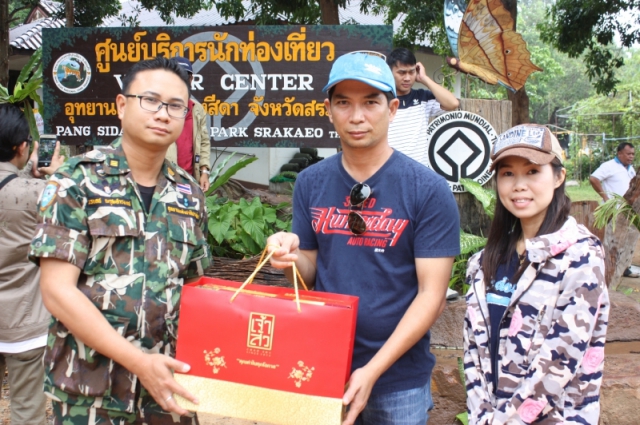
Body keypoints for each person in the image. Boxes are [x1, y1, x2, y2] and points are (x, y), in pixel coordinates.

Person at [267, 52, 460, 425]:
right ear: (329, 110)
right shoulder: (310, 182)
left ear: (392, 109)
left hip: (398, 379)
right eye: (344, 103)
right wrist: (289, 258)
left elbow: (432, 296)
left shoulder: (427, 189)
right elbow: (309, 272)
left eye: (371, 102)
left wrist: (372, 370)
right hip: (323, 365)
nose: (357, 116)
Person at [29, 57, 211, 424]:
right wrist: (139, 363)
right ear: (122, 105)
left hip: (168, 390)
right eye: (150, 100)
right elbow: (57, 291)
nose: (163, 114)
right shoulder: (75, 181)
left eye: (176, 106)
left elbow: (195, 288)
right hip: (91, 394)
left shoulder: (190, 194)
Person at [464, 124, 609, 424]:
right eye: (507, 173)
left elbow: (558, 362)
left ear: (559, 177)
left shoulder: (581, 258)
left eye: (532, 171)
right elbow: (472, 355)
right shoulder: (483, 263)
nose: (519, 185)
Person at [0, 103, 63, 425]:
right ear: (22, 147)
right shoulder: (41, 192)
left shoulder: (27, 188)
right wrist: (57, 176)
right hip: (22, 324)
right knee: (27, 410)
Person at [386, 47, 460, 164]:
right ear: (389, 72)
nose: (407, 78)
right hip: (391, 169)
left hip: (419, 171)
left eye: (411, 72)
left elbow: (453, 103)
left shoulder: (423, 98)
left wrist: (424, 79)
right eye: (402, 73)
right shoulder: (382, 101)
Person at [589, 142, 637, 277]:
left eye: (633, 154)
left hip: (628, 211)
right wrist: (605, 197)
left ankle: (624, 267)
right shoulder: (609, 166)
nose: (631, 156)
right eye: (628, 154)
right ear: (619, 153)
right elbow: (593, 178)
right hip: (613, 210)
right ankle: (607, 267)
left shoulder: (631, 169)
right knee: (612, 240)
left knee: (627, 239)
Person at [167, 56, 211, 192]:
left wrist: (204, 171)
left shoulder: (197, 109)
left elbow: (204, 141)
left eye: (185, 76)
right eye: (176, 76)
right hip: (164, 179)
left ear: (191, 79)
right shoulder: (158, 109)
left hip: (190, 179)